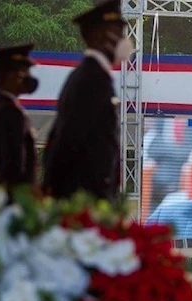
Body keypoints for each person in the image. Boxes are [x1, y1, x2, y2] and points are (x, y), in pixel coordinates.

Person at [42, 0, 132, 201]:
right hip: (82, 196)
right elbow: (68, 139)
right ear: (97, 35)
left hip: (89, 196)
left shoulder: (94, 76)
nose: (122, 40)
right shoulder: (91, 79)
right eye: (116, 32)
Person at [0, 43, 39, 196]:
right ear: (12, 76)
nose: (29, 78)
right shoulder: (11, 113)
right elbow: (13, 168)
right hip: (11, 204)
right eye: (25, 73)